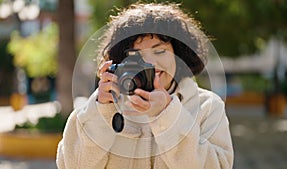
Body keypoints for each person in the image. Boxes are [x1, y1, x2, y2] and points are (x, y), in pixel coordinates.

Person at [56, 2, 234, 169]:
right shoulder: (99, 106)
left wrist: (167, 114)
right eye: (135, 54)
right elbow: (72, 165)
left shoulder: (208, 107)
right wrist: (101, 109)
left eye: (159, 51)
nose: (150, 62)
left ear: (178, 55)